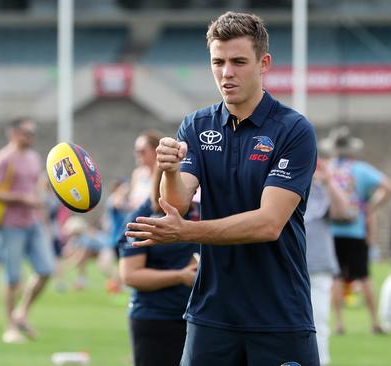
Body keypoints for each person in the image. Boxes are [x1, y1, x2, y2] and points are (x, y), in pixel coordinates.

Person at [126, 11, 319, 365]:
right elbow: (177, 203)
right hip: (211, 315)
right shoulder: (197, 126)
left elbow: (268, 223)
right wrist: (168, 170)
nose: (227, 72)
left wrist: (186, 232)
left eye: (238, 61)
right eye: (218, 62)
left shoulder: (293, 130)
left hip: (279, 315)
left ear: (264, 63)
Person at [319, 126, 391, 335]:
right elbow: (389, 186)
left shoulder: (327, 169)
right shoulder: (361, 169)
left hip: (331, 230)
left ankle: (339, 323)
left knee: (335, 277)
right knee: (364, 276)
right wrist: (370, 206)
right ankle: (374, 322)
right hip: (355, 230)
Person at [120, 168, 199, 366]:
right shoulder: (142, 218)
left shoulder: (199, 212)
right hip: (157, 318)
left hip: (199, 320)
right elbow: (131, 276)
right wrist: (180, 276)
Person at [0, 117, 55, 343]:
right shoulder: (3, 159)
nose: (30, 136)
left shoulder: (34, 157)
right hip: (10, 224)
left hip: (33, 222)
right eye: (26, 132)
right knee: (12, 277)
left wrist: (43, 218)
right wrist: (22, 198)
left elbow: (37, 188)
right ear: (13, 133)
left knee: (46, 269)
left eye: (32, 132)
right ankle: (9, 327)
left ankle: (21, 313)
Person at [305, 158, 352, 366]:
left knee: (319, 323)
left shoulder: (320, 191)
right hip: (285, 267)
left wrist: (327, 181)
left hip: (317, 267)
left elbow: (343, 212)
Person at [128, 130, 163, 210]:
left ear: (155, 151)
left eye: (142, 151)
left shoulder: (163, 175)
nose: (138, 154)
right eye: (136, 151)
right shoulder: (137, 174)